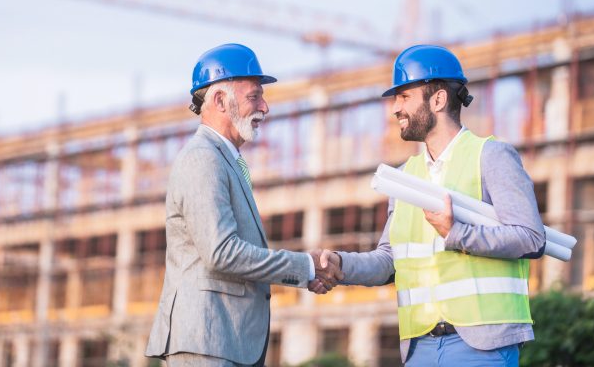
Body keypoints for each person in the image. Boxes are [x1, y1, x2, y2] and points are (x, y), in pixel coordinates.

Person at [312, 44, 546, 366]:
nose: (395, 108)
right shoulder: (404, 178)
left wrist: (456, 233)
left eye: (404, 96)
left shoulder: (491, 157)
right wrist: (341, 265)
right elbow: (389, 260)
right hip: (420, 347)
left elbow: (531, 237)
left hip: (483, 346)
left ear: (438, 100)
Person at [146, 43, 342, 367]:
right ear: (220, 100)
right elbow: (222, 252)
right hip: (207, 343)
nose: (265, 107)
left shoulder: (226, 161)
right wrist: (306, 267)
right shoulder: (202, 159)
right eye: (255, 96)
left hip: (225, 342)